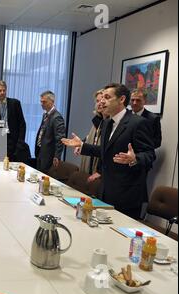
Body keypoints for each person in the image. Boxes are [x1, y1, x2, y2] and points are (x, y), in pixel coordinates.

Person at [62, 83, 155, 220]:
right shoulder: (106, 123)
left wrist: (135, 159)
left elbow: (149, 154)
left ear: (121, 99)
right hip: (106, 190)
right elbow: (105, 151)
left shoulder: (138, 123)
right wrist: (83, 146)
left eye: (107, 97)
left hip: (127, 195)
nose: (102, 101)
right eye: (101, 98)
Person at [0, 80, 30, 163]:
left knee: (12, 166)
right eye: (0, 90)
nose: (2, 93)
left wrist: (21, 141)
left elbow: (22, 124)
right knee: (0, 166)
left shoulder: (15, 103)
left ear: (6, 90)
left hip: (13, 141)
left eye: (4, 90)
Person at [76, 89, 108, 182]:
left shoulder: (109, 123)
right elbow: (91, 136)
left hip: (101, 167)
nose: (99, 103)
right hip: (91, 160)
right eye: (97, 101)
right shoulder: (98, 120)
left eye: (102, 100)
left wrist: (100, 171)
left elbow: (107, 150)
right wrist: (82, 143)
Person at [35, 90, 66, 173]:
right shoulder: (45, 114)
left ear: (51, 102)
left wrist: (57, 156)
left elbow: (60, 138)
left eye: (44, 102)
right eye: (41, 102)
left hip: (48, 154)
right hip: (41, 151)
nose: (41, 104)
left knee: (44, 176)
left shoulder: (57, 117)